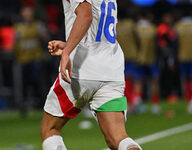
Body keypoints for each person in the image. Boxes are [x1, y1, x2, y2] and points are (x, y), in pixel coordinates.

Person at [40, 0, 142, 150]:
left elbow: (85, 15)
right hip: (111, 72)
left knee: (50, 130)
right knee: (118, 139)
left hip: (81, 71)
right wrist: (68, 45)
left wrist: (67, 52)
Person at [175, 11, 192, 114]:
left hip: (182, 57)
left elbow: (175, 44)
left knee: (185, 79)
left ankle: (189, 98)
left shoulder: (178, 26)